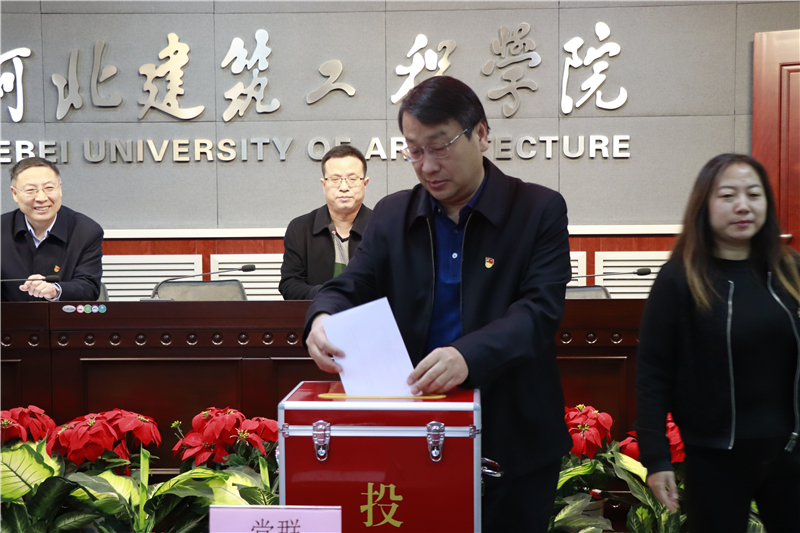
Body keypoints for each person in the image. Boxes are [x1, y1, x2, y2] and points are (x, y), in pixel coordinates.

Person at [303, 76, 572, 532]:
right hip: (414, 431)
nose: (427, 165)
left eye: (439, 146)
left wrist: (467, 355)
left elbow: (538, 312)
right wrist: (322, 316)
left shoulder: (537, 210)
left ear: (480, 134)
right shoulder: (393, 214)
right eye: (414, 150)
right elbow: (352, 283)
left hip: (514, 434)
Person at [635, 153, 800, 532]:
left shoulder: (790, 269)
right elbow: (653, 373)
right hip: (714, 458)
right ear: (704, 204)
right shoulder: (679, 278)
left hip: (791, 453)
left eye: (754, 194)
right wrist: (656, 458)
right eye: (728, 196)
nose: (743, 206)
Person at [2, 157, 103, 302]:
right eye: (30, 190)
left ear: (60, 189)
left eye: (49, 188)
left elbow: (89, 288)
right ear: (15, 194)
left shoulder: (86, 231)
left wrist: (55, 290)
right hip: (11, 316)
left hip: (64, 316)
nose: (41, 198)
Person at [279, 145, 372, 300]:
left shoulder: (382, 227)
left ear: (365, 184)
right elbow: (289, 285)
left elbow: (395, 282)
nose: (344, 187)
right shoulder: (300, 228)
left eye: (352, 179)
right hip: (317, 311)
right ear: (324, 185)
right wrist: (329, 295)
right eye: (335, 180)